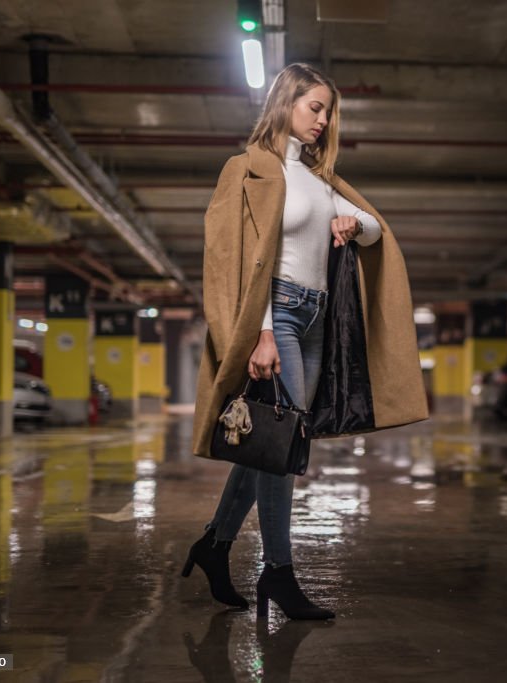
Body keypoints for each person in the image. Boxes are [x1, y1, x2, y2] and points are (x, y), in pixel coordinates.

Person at [185, 64, 429, 620]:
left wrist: (349, 226)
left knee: (276, 444)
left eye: (328, 111)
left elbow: (371, 227)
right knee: (284, 448)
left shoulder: (319, 182)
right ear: (286, 101)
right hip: (281, 318)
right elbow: (234, 257)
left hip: (319, 323)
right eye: (314, 107)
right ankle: (278, 572)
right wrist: (263, 330)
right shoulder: (246, 170)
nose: (323, 120)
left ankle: (214, 545)